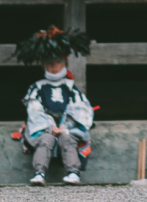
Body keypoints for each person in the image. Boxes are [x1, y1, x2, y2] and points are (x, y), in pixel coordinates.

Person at [15, 26, 94, 186]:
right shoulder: (37, 87)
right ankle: (39, 173)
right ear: (44, 65)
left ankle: (73, 172)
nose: (54, 67)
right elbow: (34, 109)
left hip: (67, 126)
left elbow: (80, 108)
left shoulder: (71, 86)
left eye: (58, 62)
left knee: (67, 139)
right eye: (50, 63)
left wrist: (66, 126)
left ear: (65, 63)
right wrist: (49, 126)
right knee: (46, 140)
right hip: (45, 126)